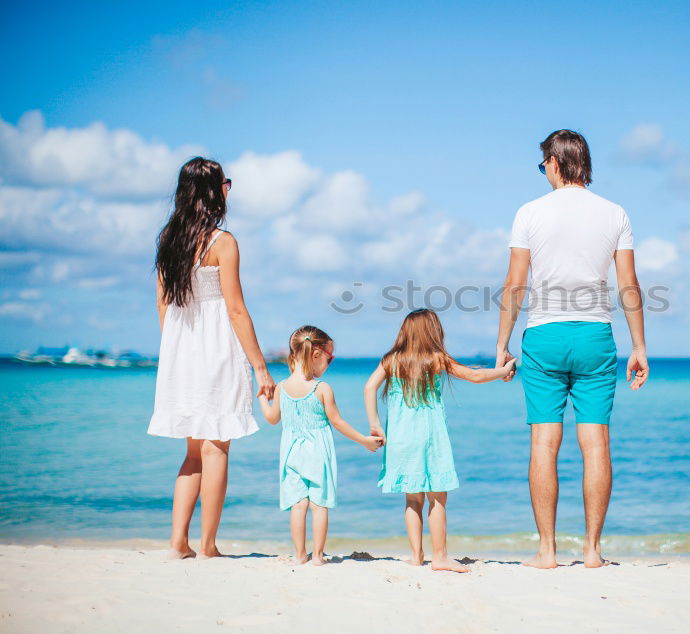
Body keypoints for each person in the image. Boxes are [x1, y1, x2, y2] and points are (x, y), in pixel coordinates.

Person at [495, 129, 649, 569]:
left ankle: (546, 552)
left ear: (557, 162)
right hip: (596, 335)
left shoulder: (529, 213)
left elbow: (515, 285)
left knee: (544, 443)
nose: (543, 170)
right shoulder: (615, 213)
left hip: (544, 335)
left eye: (543, 163)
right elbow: (629, 287)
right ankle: (593, 551)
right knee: (595, 442)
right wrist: (638, 345)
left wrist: (502, 343)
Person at [148, 157, 276, 559]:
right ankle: (207, 546)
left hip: (180, 349)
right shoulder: (222, 241)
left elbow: (163, 303)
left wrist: (174, 353)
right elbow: (236, 309)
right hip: (216, 348)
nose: (228, 188)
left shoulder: (170, 238)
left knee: (191, 451)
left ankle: (177, 544)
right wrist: (260, 367)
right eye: (226, 183)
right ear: (213, 190)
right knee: (216, 445)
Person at [364, 309, 516, 572]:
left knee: (412, 499)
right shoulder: (436, 359)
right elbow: (474, 376)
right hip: (429, 437)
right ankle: (441, 557)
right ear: (433, 332)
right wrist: (503, 369)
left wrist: (375, 424)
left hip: (401, 438)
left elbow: (369, 387)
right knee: (437, 498)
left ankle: (416, 556)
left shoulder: (392, 360)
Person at [258, 326, 383, 565]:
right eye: (330, 358)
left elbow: (272, 419)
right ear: (316, 354)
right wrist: (364, 440)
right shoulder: (322, 388)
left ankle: (299, 556)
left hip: (291, 453)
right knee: (319, 505)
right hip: (317, 453)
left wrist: (264, 397)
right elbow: (337, 422)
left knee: (298, 505)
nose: (330, 363)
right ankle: (317, 556)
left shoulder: (282, 388)